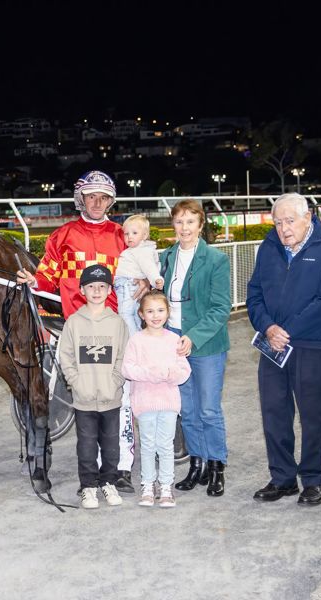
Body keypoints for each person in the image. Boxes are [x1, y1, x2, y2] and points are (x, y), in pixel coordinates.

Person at [17, 170, 147, 492]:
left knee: (121, 400)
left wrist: (147, 280)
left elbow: (146, 270)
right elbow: (47, 277)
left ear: (110, 202)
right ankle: (93, 474)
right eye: (92, 197)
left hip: (116, 329)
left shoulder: (122, 235)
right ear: (81, 199)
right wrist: (34, 281)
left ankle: (120, 469)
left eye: (103, 198)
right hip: (78, 330)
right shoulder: (62, 236)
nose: (97, 203)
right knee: (88, 401)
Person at [247, 193, 321, 506]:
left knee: (312, 413)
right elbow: (254, 294)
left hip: (311, 343)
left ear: (308, 218)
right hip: (272, 343)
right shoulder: (268, 247)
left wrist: (286, 331)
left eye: (290, 221)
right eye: (278, 222)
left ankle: (314, 479)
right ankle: (283, 478)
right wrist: (268, 328)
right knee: (274, 412)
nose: (283, 229)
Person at [160, 199, 232, 497]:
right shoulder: (166, 257)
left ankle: (216, 466)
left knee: (208, 409)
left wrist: (193, 336)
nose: (184, 228)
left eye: (190, 221)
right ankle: (197, 464)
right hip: (173, 339)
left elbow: (221, 307)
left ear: (201, 225)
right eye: (179, 221)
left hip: (206, 342)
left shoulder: (216, 260)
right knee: (187, 410)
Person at [57, 264, 130, 509]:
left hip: (110, 397)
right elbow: (66, 356)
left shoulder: (117, 323)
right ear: (82, 290)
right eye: (91, 286)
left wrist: (115, 381)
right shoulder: (73, 323)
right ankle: (88, 487)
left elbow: (123, 356)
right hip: (84, 398)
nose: (96, 291)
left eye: (101, 286)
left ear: (109, 290)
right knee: (86, 445)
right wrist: (76, 382)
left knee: (111, 445)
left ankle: (108, 482)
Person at [122, 290, 191, 507]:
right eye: (150, 311)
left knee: (165, 445)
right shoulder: (136, 340)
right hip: (144, 403)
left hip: (168, 402)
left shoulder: (174, 340)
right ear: (141, 314)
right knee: (148, 445)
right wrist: (153, 373)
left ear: (168, 313)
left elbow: (184, 371)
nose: (155, 315)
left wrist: (168, 373)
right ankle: (148, 485)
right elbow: (127, 369)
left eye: (160, 310)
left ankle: (166, 486)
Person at [114, 214, 164, 335]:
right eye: (126, 234)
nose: (129, 236)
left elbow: (150, 267)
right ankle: (139, 335)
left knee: (125, 313)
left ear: (144, 235)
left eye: (134, 233)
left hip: (128, 284)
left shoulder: (141, 251)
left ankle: (133, 338)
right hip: (131, 284)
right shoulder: (137, 250)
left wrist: (156, 280)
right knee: (135, 314)